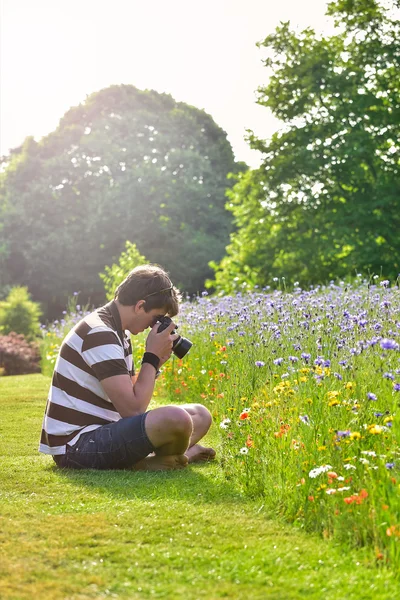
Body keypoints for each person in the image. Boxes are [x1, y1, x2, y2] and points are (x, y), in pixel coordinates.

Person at [39, 264, 215, 470]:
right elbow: (133, 410)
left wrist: (156, 361)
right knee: (177, 419)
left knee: (199, 415)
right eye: (156, 318)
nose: (153, 326)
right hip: (77, 447)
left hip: (106, 432)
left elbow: (133, 396)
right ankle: (152, 461)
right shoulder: (100, 333)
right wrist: (151, 357)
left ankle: (161, 459)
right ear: (140, 306)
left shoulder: (119, 333)